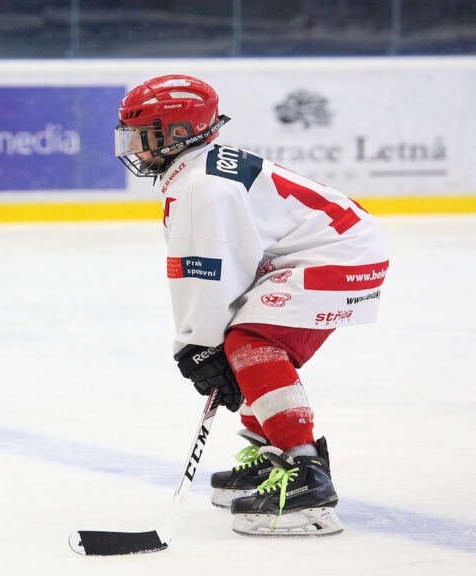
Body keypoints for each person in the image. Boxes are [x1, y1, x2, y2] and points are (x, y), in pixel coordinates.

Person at [114, 74, 388, 536]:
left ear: (178, 132)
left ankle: (305, 475)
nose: (134, 146)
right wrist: (207, 342)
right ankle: (273, 452)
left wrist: (199, 343)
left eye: (143, 134)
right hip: (329, 250)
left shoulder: (202, 186)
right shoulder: (196, 170)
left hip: (338, 256)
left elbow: (206, 271)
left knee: (249, 342)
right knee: (239, 343)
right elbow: (228, 268)